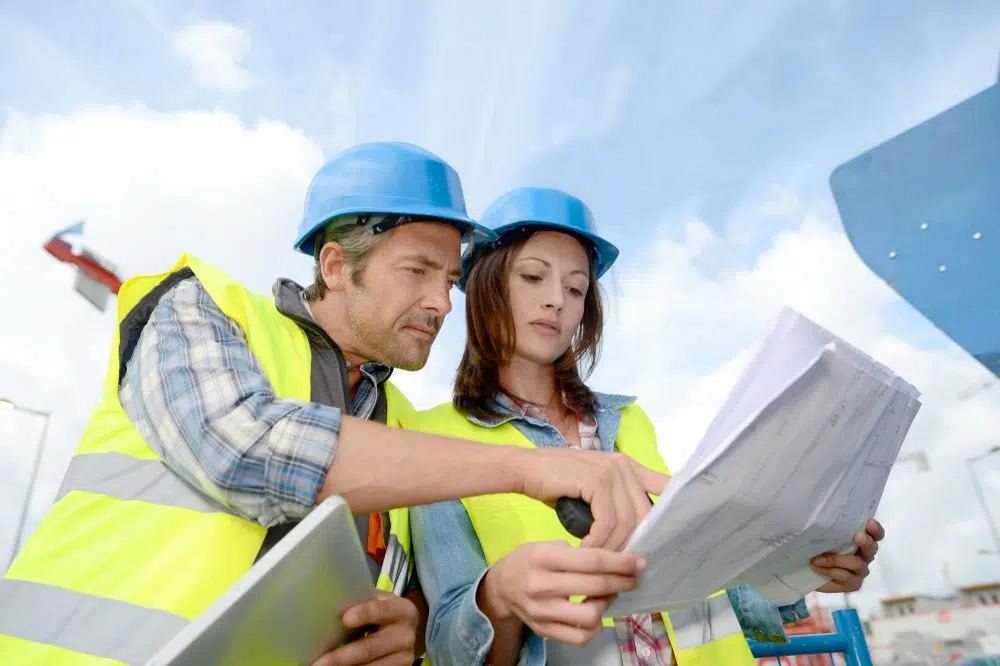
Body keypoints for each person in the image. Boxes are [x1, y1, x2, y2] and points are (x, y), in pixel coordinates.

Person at [0, 145, 668, 666]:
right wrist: (532, 469)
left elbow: (403, 598)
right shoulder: (200, 305)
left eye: (450, 279)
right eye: (417, 272)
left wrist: (405, 632)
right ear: (335, 266)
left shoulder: (405, 428)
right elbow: (248, 450)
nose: (441, 303)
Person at [408, 186, 885, 665]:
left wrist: (804, 570)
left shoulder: (631, 422)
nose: (556, 300)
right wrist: (499, 596)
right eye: (533, 276)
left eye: (576, 288)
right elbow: (450, 644)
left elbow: (710, 586)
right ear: (487, 288)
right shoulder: (435, 443)